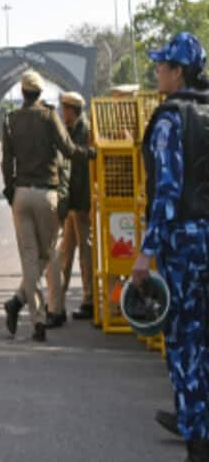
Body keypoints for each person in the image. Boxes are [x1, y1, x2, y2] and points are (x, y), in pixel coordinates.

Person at [131, 32, 209, 461]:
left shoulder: (169, 119)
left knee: (184, 341)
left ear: (178, 73)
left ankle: (197, 437)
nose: (157, 72)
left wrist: (145, 253)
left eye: (162, 66)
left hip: (184, 245)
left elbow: (166, 190)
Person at [1, 70, 95, 342]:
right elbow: (67, 150)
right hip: (47, 194)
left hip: (21, 194)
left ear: (22, 93)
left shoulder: (10, 120)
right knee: (50, 253)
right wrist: (91, 153)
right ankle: (43, 307)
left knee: (30, 260)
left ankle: (36, 320)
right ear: (40, 93)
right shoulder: (50, 116)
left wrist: (11, 192)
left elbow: (7, 163)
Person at [45, 91, 95, 326]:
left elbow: (82, 166)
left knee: (85, 253)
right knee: (65, 254)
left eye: (65, 109)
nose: (62, 113)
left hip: (82, 202)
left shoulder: (85, 131)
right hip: (70, 202)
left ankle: (89, 300)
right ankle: (57, 302)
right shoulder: (68, 129)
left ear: (73, 110)